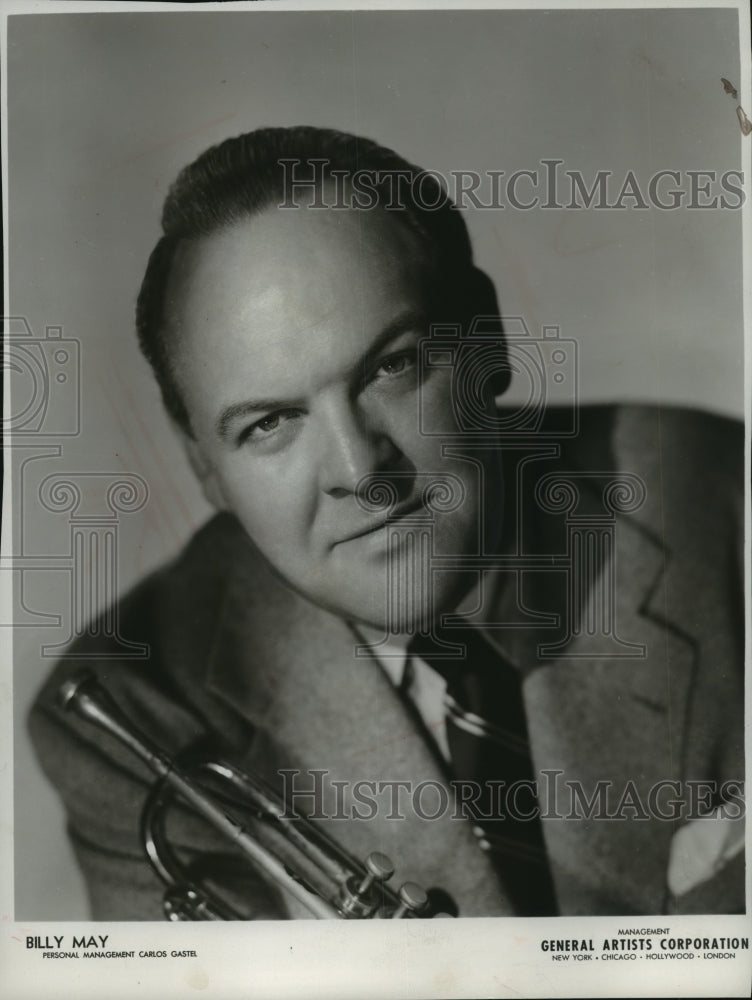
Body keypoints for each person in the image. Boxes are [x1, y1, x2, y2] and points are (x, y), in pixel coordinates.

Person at [28, 126, 744, 920]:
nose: (362, 472)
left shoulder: (726, 504)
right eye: (269, 423)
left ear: (486, 336)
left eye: (391, 366)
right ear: (203, 465)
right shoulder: (130, 714)